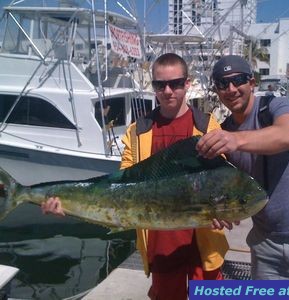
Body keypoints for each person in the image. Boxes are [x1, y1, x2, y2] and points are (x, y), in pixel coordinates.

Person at [42, 53, 229, 299]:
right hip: (160, 238)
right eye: (160, 85)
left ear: (187, 83)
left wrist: (221, 208)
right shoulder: (139, 130)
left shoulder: (207, 125)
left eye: (175, 83)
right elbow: (123, 183)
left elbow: (220, 178)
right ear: (153, 87)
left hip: (203, 235)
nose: (168, 91)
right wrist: (68, 203)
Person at [196, 55, 289, 280]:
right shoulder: (223, 132)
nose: (231, 89)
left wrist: (236, 140)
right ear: (217, 90)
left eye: (238, 80)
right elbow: (227, 188)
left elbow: (287, 136)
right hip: (265, 246)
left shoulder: (278, 106)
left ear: (252, 83)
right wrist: (218, 212)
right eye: (223, 84)